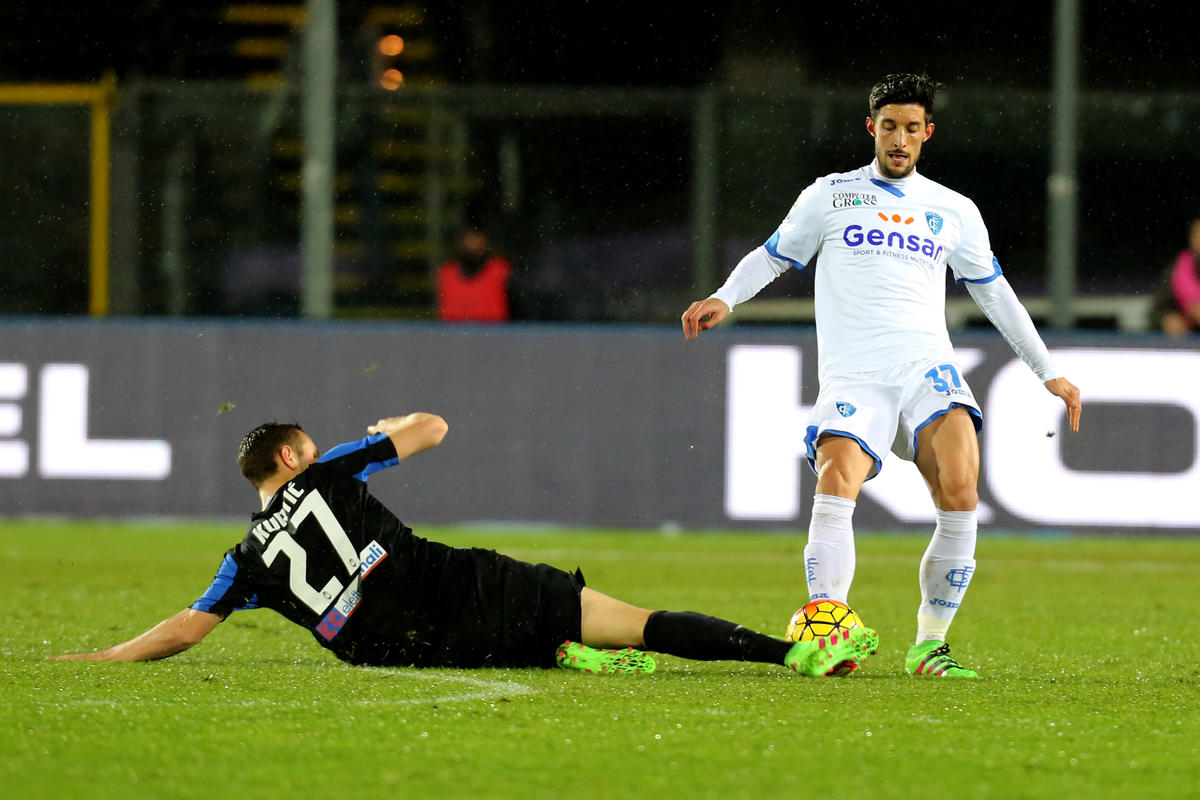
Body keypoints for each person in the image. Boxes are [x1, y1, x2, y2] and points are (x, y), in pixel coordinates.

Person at [681, 73, 1082, 678]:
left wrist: (1047, 371)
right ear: (872, 128)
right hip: (855, 374)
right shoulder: (830, 195)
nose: (899, 139)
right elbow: (773, 254)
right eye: (889, 126)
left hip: (927, 367)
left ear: (927, 134)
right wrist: (725, 296)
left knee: (961, 489)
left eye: (911, 128)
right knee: (836, 479)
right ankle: (828, 630)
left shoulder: (955, 210)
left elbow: (995, 293)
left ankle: (930, 646)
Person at [51, 412, 878, 677]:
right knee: (635, 621)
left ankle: (557, 651)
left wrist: (103, 657)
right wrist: (390, 425)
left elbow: (185, 630)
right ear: (294, 458)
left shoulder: (243, 560)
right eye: (310, 444)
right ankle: (793, 654)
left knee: (505, 640)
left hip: (382, 648)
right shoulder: (328, 472)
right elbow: (434, 427)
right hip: (445, 587)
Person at [436, 226, 512, 322]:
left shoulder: (501, 269)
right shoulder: (447, 272)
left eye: (477, 239)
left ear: (485, 241)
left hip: (493, 329)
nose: (473, 244)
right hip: (453, 329)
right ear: (460, 242)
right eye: (469, 239)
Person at [1149, 215, 1200, 336]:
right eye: (1198, 235)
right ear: (1191, 239)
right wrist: (1167, 320)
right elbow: (1155, 313)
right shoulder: (1176, 270)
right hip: (1188, 340)